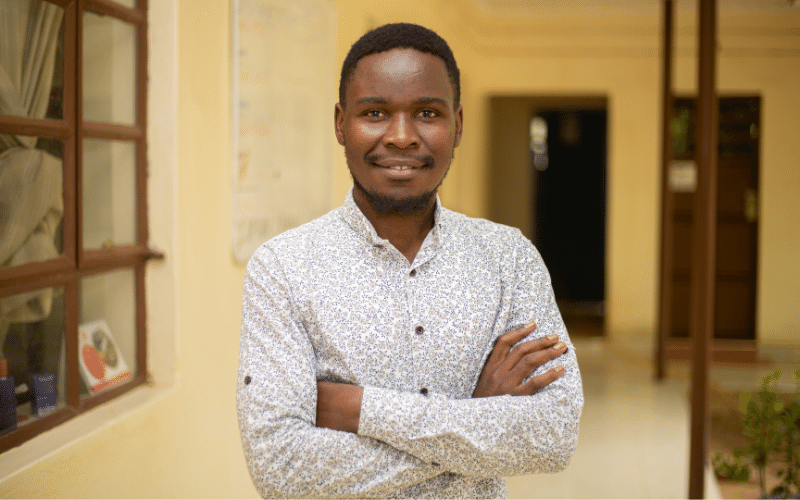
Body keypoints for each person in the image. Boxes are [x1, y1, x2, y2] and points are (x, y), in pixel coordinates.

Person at [237, 22, 583, 499]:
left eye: (426, 112)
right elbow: (281, 468)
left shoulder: (509, 259)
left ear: (457, 125)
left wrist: (358, 409)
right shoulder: (283, 268)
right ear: (341, 123)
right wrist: (475, 415)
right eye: (375, 112)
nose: (401, 137)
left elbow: (553, 436)